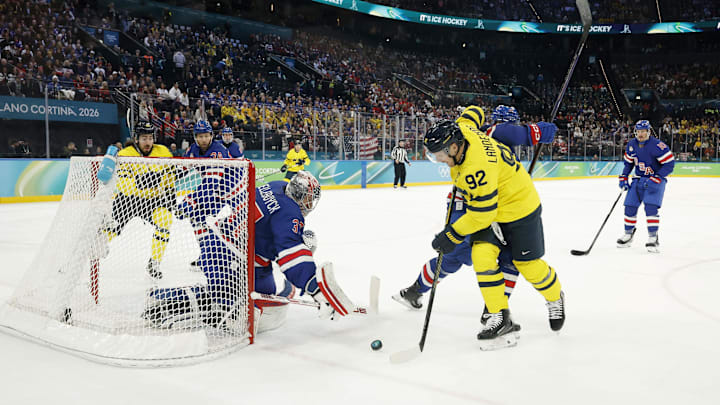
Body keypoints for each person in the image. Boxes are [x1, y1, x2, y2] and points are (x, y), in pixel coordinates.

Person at [394, 105, 557, 327]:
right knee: (490, 257)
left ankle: (493, 309)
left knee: (470, 256)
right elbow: (524, 134)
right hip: (477, 207)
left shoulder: (475, 134)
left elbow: (473, 114)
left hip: (485, 206)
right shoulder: (501, 133)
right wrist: (540, 132)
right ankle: (493, 310)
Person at [143, 170, 354, 333]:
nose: (309, 204)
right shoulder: (290, 213)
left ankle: (177, 299)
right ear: (300, 195)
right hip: (230, 255)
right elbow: (291, 257)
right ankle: (166, 300)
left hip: (228, 243)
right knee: (233, 307)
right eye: (308, 199)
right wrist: (314, 289)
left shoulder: (277, 186)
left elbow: (269, 235)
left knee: (264, 292)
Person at [423, 119, 565, 350]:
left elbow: (482, 214)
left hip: (519, 209)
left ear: (455, 147)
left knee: (527, 265)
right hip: (493, 208)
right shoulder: (464, 129)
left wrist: (453, 234)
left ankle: (555, 297)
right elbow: (473, 113)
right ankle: (500, 316)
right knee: (481, 256)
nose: (438, 159)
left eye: (440, 154)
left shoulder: (476, 169)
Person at [100, 121, 175, 279]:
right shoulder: (125, 154)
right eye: (143, 138)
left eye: (150, 138)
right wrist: (146, 181)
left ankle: (154, 262)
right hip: (127, 201)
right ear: (136, 138)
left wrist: (170, 195)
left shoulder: (163, 152)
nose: (147, 142)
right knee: (108, 233)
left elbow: (169, 179)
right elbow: (126, 186)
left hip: (154, 201)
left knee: (165, 221)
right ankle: (79, 259)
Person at [617, 120, 675, 253]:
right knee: (629, 206)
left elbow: (669, 164)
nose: (641, 134)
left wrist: (657, 177)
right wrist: (624, 177)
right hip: (638, 180)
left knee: (651, 208)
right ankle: (628, 234)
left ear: (649, 131)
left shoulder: (658, 146)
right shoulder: (631, 145)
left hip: (654, 181)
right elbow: (628, 164)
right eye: (638, 131)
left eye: (643, 131)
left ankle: (653, 237)